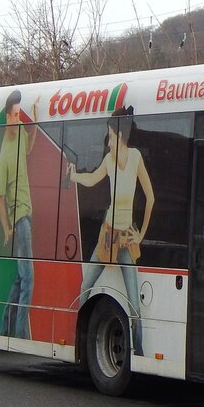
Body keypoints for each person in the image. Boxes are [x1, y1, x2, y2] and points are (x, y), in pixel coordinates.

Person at [68, 106, 154, 357]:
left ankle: (139, 354)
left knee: (134, 304)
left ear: (119, 135)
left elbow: (151, 198)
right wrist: (74, 176)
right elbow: (92, 179)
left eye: (110, 136)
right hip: (107, 236)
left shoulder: (136, 157)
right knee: (86, 287)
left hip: (126, 238)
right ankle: (77, 344)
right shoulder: (109, 161)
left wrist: (141, 235)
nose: (108, 142)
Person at [0, 90, 38, 338]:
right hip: (19, 218)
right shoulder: (3, 155)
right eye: (14, 114)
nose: (17, 117)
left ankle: (4, 330)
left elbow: (28, 150)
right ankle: (21, 335)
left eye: (18, 113)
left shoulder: (22, 129)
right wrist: (6, 227)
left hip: (28, 213)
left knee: (19, 279)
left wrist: (33, 125)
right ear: (6, 117)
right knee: (28, 278)